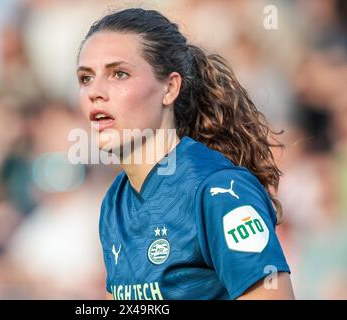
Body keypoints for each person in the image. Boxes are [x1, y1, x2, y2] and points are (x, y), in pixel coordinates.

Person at [76, 8, 294, 300]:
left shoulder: (220, 189)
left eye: (119, 74)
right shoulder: (116, 201)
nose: (95, 92)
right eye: (86, 78)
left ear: (170, 88)